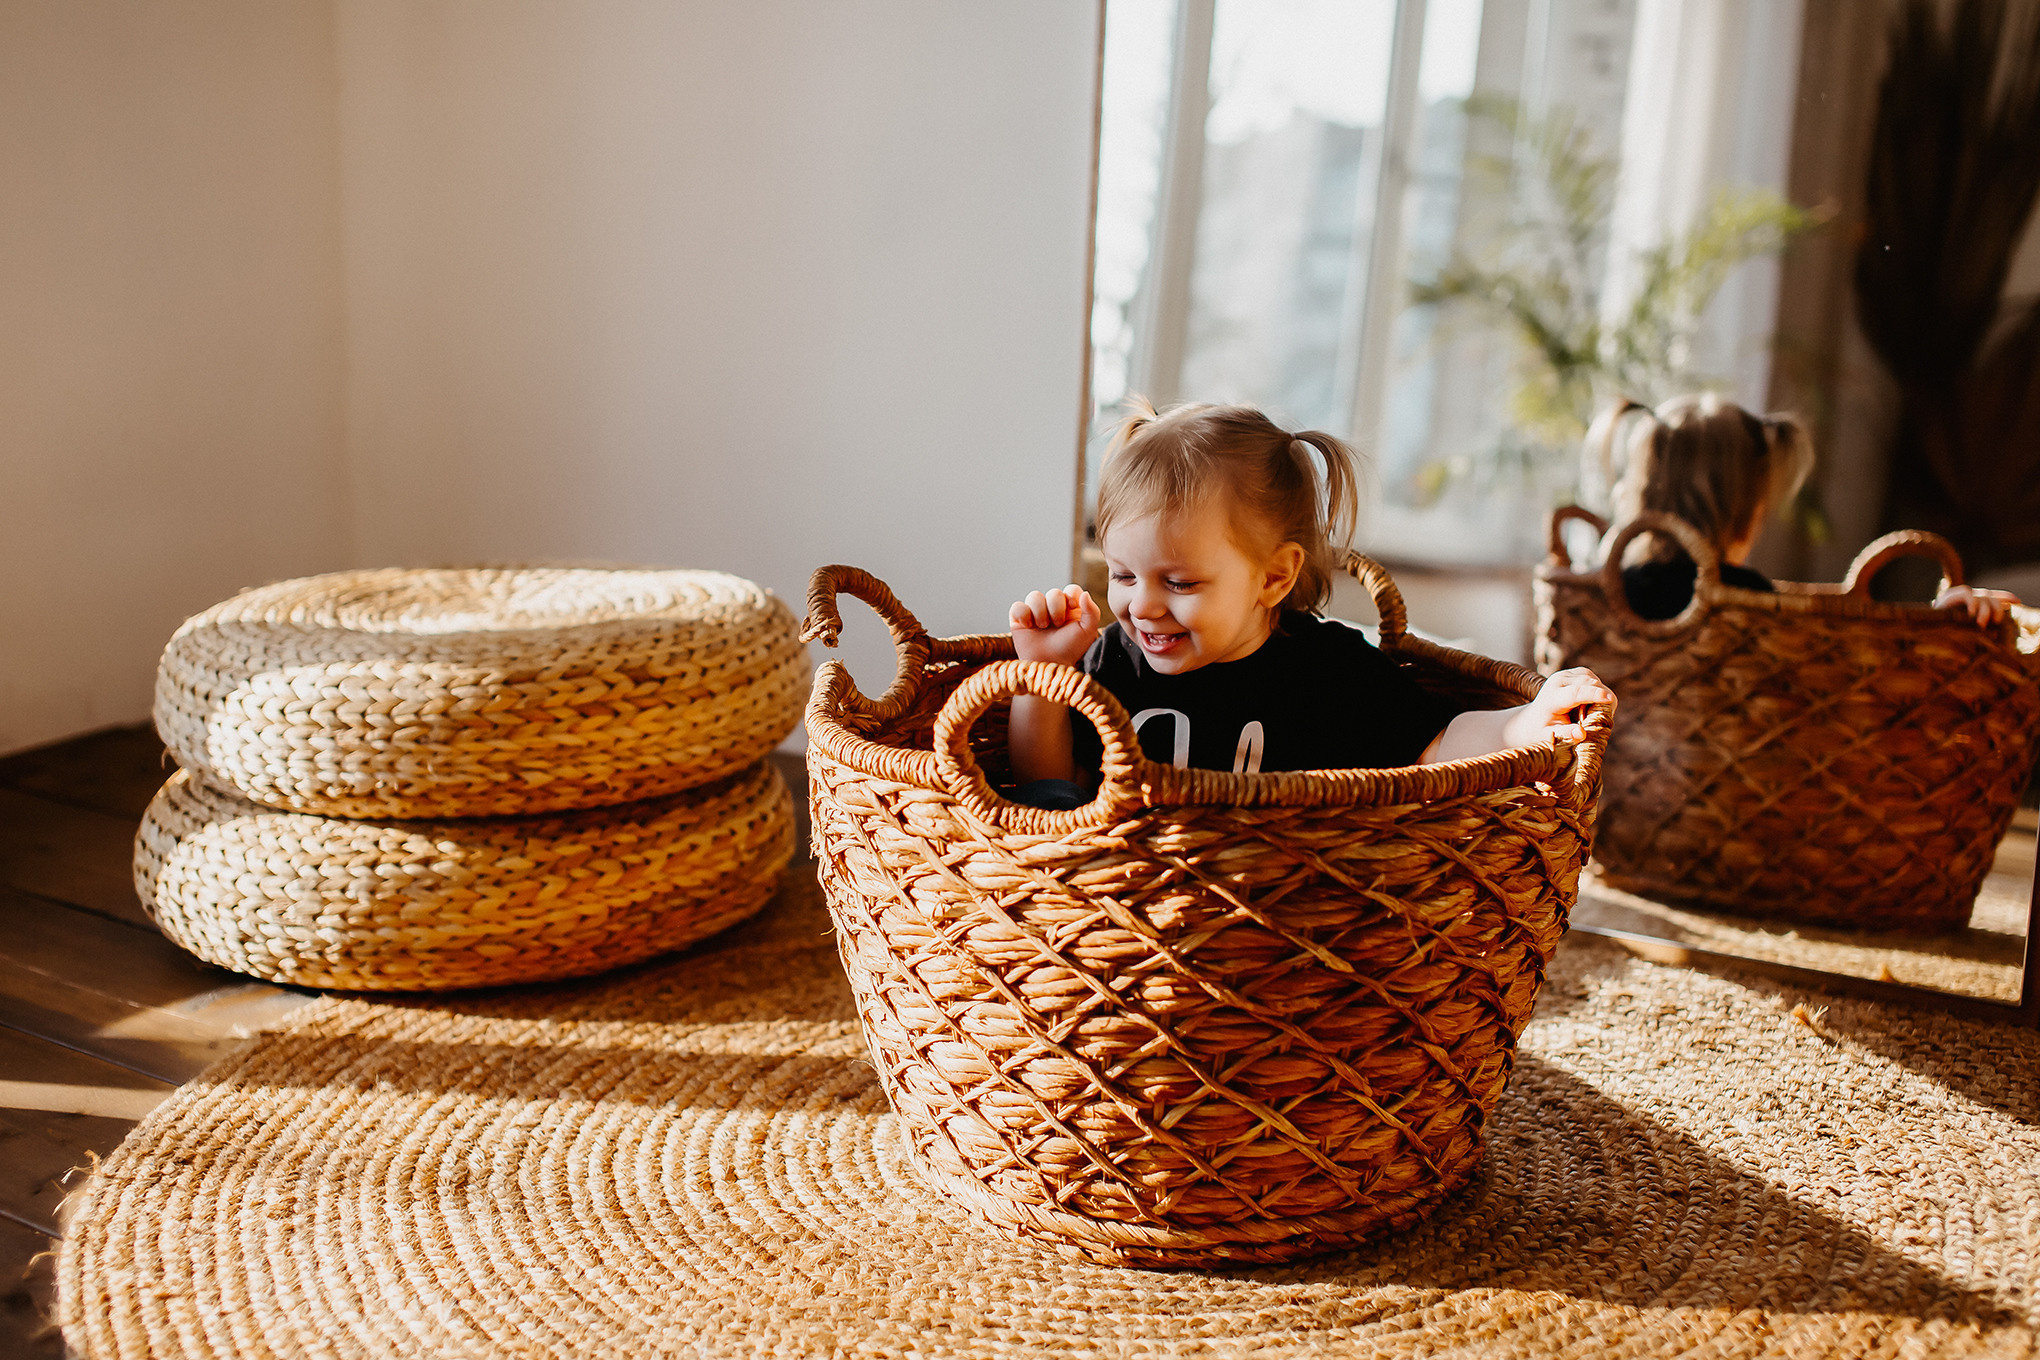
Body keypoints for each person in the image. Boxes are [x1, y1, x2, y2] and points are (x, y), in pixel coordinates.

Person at [1004, 401, 1614, 804]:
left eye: (1180, 583)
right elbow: (1047, 788)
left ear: (1273, 579)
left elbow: (1436, 744)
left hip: (1286, 910)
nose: (1143, 607)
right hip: (1136, 910)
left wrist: (1523, 722)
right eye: (1122, 575)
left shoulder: (1329, 670)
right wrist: (1043, 675)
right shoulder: (1112, 659)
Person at [1588, 394, 2021, 623]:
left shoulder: (1605, 595)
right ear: (1747, 514)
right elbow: (1855, 660)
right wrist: (1938, 622)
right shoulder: (1748, 599)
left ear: (1639, 494)